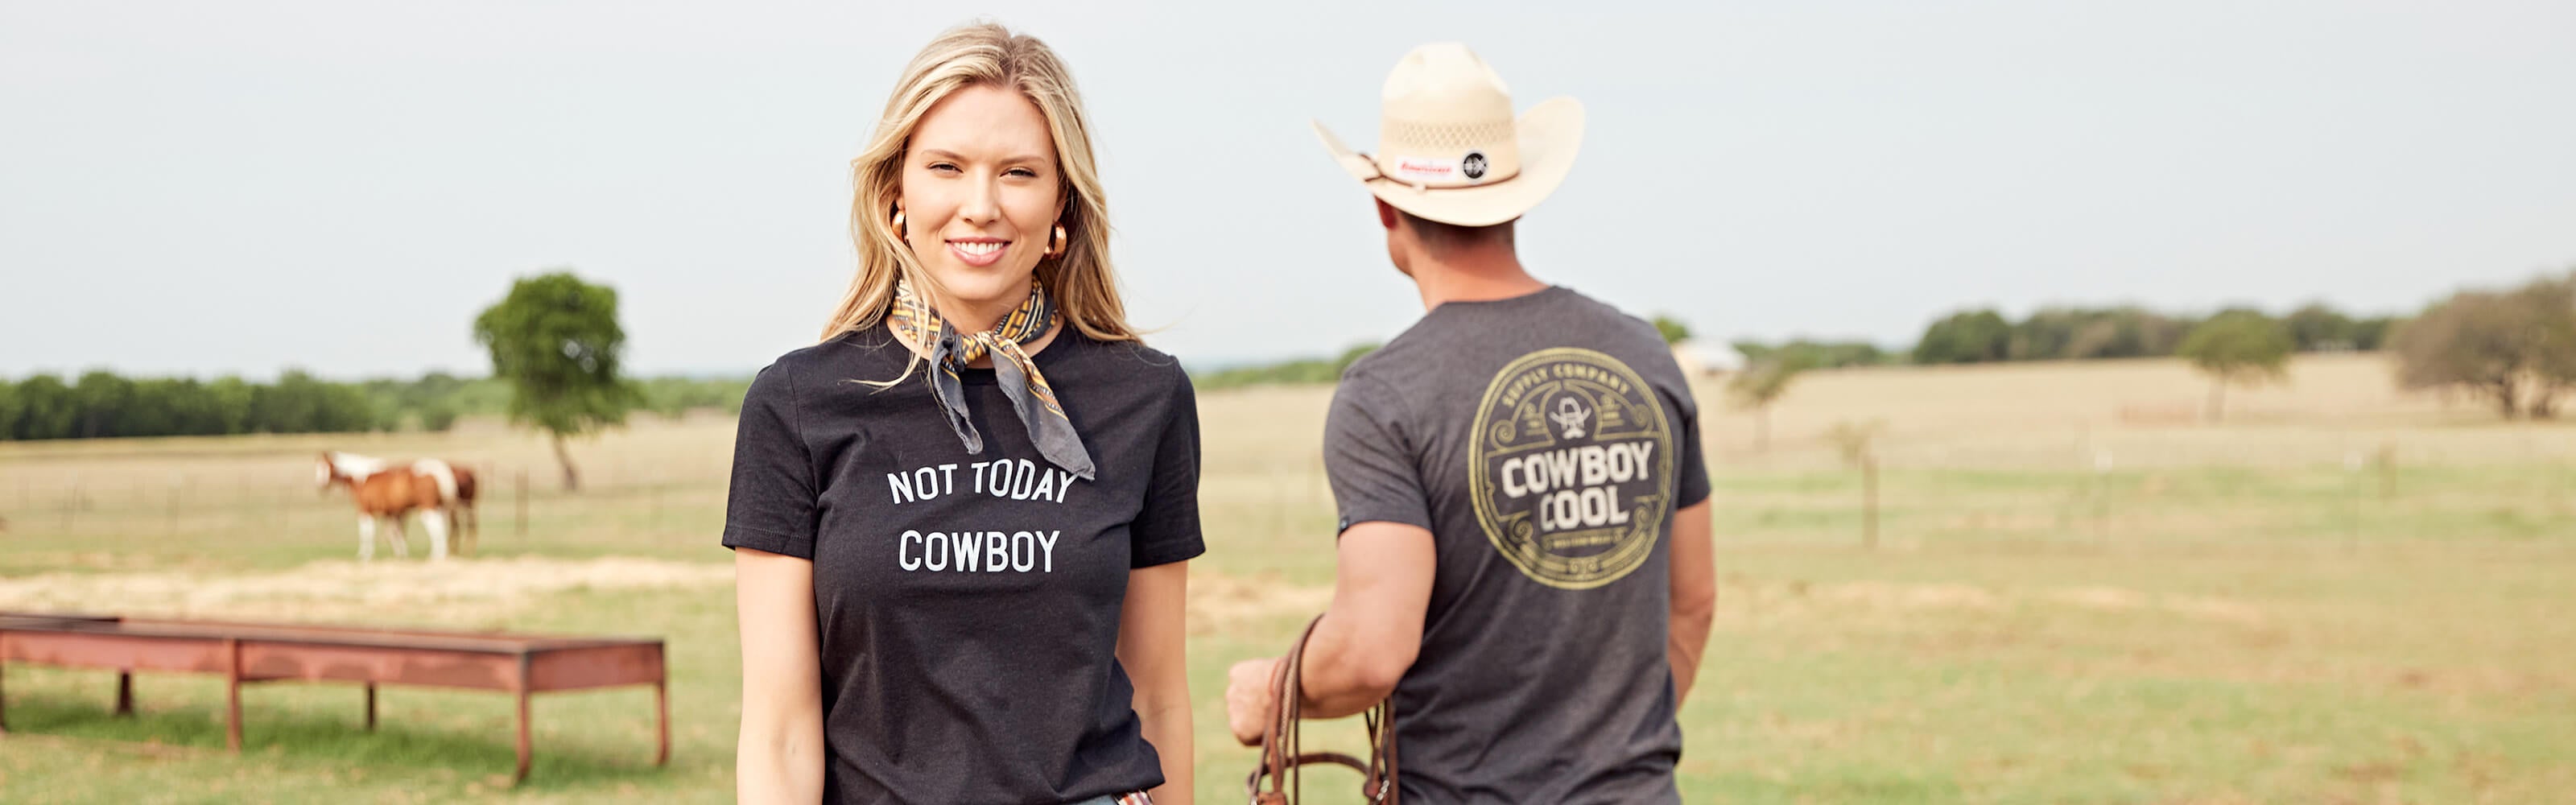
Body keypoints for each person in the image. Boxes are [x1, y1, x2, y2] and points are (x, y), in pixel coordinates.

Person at [1224, 42, 1717, 803]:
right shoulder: (1643, 354)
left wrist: (1274, 689)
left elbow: (1371, 650)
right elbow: (1693, 600)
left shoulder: (1385, 394)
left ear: (1384, 206)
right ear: (1518, 198)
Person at [729, 22, 1199, 805]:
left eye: (1018, 173)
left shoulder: (1143, 396)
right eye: (946, 167)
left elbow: (1158, 696)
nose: (979, 206)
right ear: (896, 196)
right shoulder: (796, 405)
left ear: (1061, 208)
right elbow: (778, 731)